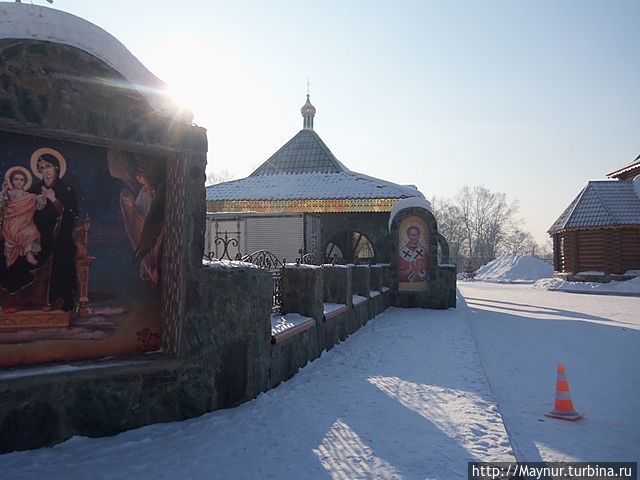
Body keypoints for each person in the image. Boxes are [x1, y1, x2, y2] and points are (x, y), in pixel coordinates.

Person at [29, 152, 79, 311]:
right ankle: (27, 300)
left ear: (56, 167)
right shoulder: (35, 189)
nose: (46, 170)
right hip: (37, 234)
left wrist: (53, 199)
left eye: (49, 166)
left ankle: (59, 299)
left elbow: (72, 214)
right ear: (39, 171)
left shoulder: (67, 189)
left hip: (60, 235)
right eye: (42, 168)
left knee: (63, 253)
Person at [0, 167, 48, 268]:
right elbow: (1, 204)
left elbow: (39, 205)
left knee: (32, 231)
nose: (19, 182)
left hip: (26, 223)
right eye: (16, 179)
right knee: (25, 231)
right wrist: (3, 191)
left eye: (22, 180)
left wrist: (43, 196)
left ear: (25, 182)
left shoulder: (29, 196)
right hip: (12, 224)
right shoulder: (8, 194)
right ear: (12, 181)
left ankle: (29, 254)